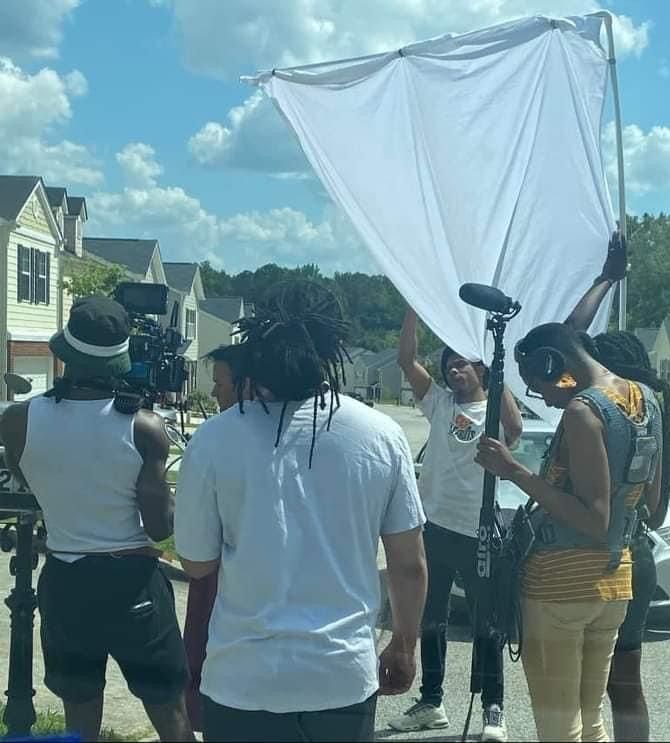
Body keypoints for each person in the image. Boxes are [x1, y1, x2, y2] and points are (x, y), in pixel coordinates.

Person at [174, 280, 428, 743]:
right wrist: (405, 644)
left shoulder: (214, 438)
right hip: (340, 677)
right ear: (333, 349)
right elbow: (408, 565)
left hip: (242, 679)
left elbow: (196, 563)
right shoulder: (382, 435)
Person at [0, 296, 194, 742]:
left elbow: (27, 482)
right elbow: (159, 527)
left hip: (65, 580)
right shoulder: (143, 428)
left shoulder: (18, 420)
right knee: (170, 713)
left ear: (65, 352)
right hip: (132, 583)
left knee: (80, 716)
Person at [476, 321, 663, 743]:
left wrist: (513, 470)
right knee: (589, 720)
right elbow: (651, 504)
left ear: (552, 365)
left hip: (560, 586)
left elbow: (594, 517)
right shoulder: (646, 399)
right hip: (615, 583)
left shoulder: (583, 412)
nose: (542, 397)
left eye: (537, 385)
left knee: (559, 729)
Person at [390, 308, 522, 742]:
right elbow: (406, 360)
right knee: (431, 620)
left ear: (481, 369)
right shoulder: (440, 403)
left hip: (477, 529)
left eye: (463, 362)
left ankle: (493, 707)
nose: (454, 369)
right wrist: (415, 306)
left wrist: (495, 368)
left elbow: (515, 428)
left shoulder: (492, 408)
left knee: (488, 625)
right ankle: (432, 701)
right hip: (434, 528)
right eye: (449, 362)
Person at [564, 232, 670, 742]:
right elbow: (657, 509)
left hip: (583, 559)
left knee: (573, 689)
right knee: (625, 686)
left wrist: (607, 278)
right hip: (635, 556)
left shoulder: (593, 407)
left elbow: (568, 336)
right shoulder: (653, 409)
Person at [183, 344, 247, 732]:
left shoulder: (216, 440)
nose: (213, 392)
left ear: (246, 385)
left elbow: (195, 558)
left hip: (221, 582)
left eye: (220, 383)